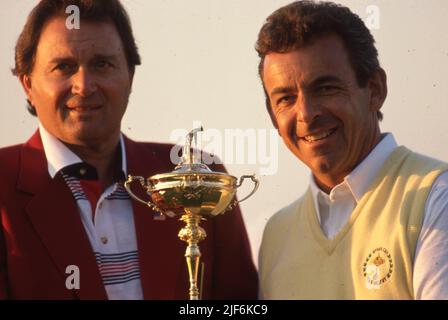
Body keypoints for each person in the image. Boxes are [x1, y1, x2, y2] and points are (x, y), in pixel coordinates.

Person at [0, 0, 257, 299]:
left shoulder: (198, 177)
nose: (84, 85)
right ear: (27, 84)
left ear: (130, 77)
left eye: (102, 64)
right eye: (64, 67)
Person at [256, 0, 448, 299]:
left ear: (375, 90)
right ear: (272, 116)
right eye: (286, 99)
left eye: (325, 88)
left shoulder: (437, 197)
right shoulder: (276, 234)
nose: (306, 114)